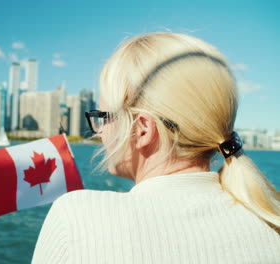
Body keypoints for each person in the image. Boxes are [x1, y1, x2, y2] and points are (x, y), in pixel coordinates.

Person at [32, 32, 280, 263]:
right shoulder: (270, 225)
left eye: (103, 117)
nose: (99, 132)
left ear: (142, 130)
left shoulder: (77, 218)